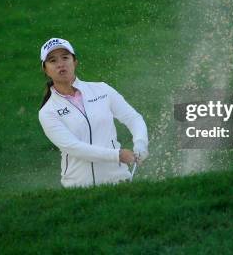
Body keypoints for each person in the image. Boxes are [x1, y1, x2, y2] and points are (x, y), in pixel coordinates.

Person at [38, 37, 149, 188]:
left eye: (65, 57)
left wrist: (141, 143)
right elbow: (74, 147)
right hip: (78, 187)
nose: (60, 64)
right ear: (45, 69)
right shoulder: (48, 111)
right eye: (52, 60)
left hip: (119, 180)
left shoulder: (102, 89)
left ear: (75, 62)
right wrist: (117, 155)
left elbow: (133, 118)